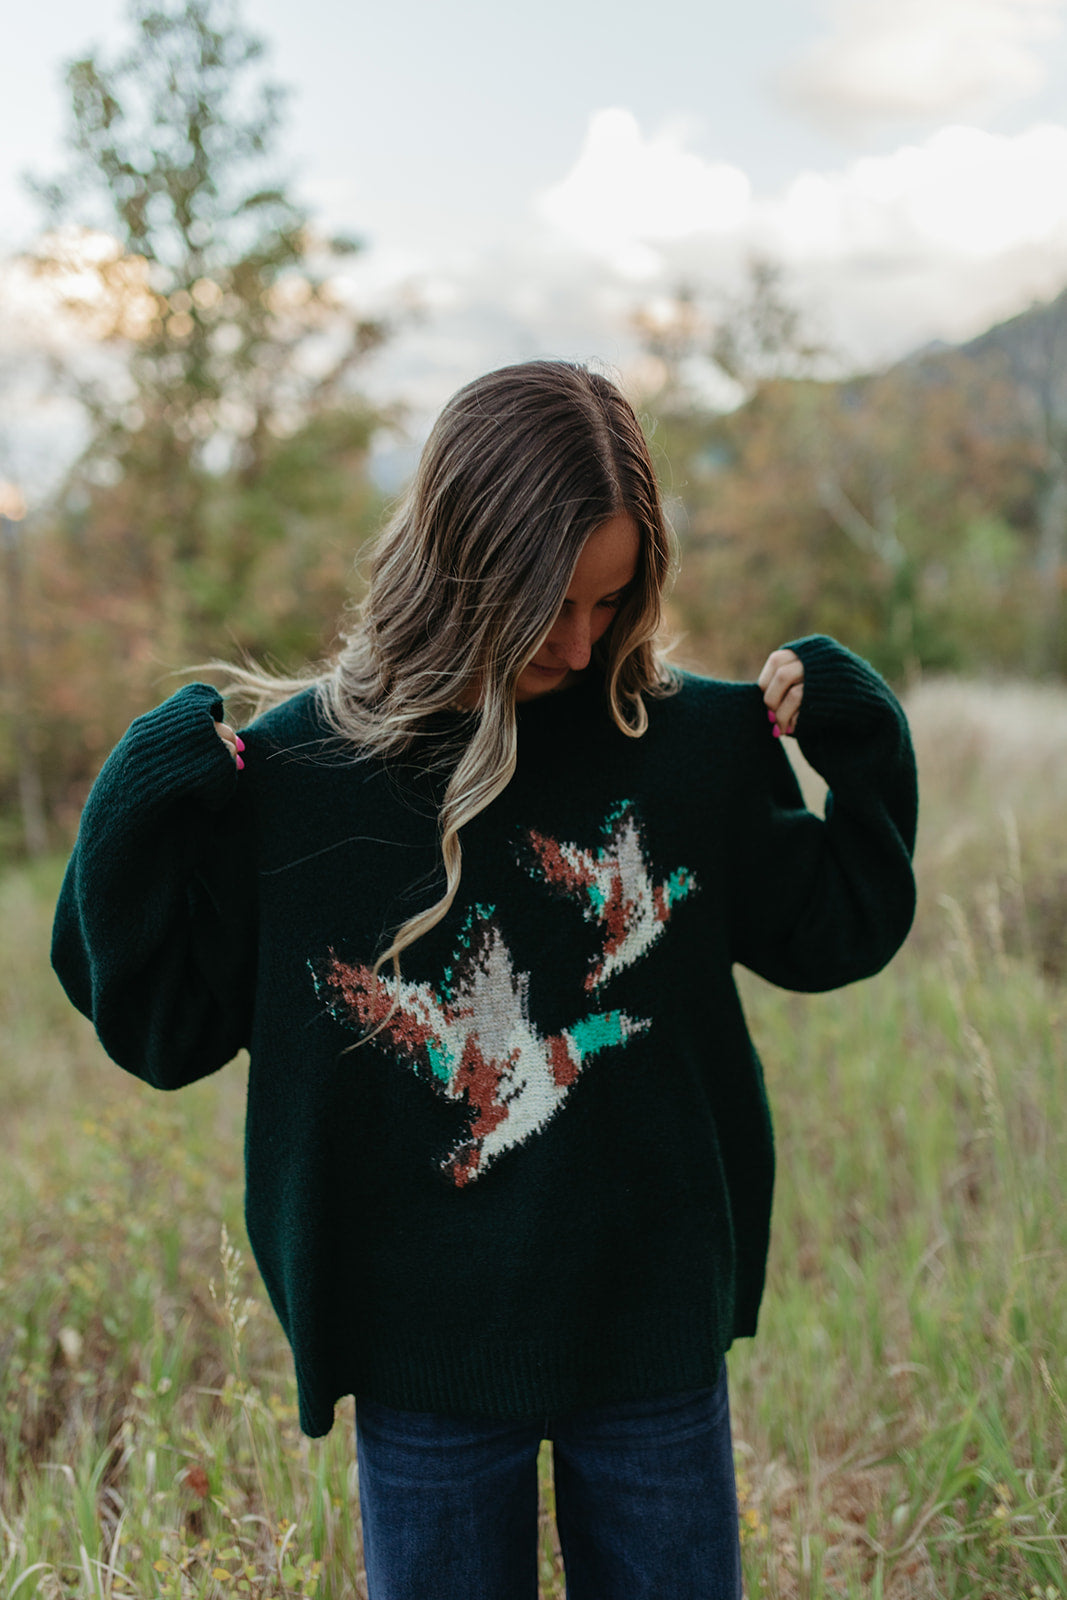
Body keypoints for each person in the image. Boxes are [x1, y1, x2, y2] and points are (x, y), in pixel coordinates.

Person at [52, 359, 918, 1600]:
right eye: (545, 607)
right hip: (423, 1357)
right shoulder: (307, 780)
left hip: (650, 1325)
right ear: (457, 575)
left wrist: (860, 739)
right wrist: (135, 804)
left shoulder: (683, 749)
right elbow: (159, 1030)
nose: (577, 641)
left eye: (609, 602)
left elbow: (837, 929)